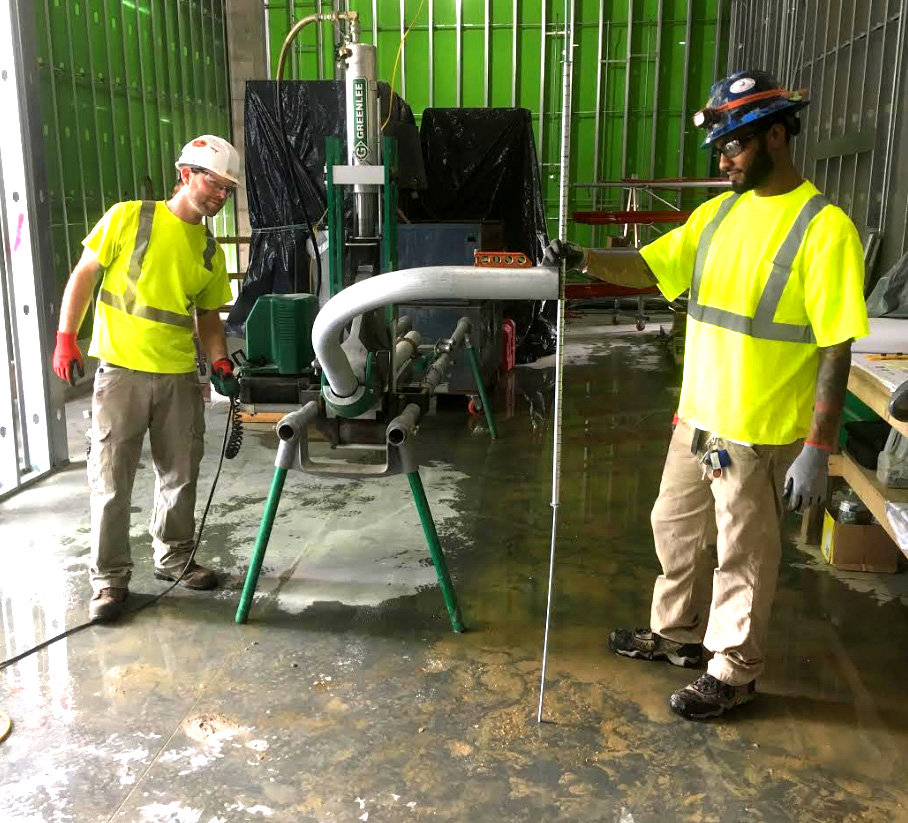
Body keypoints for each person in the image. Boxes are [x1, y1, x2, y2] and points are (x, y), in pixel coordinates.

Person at [544, 70, 869, 720]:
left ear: (777, 136)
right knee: (674, 526)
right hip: (696, 417)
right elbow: (649, 266)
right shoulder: (716, 215)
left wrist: (818, 445)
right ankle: (676, 636)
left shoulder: (824, 228)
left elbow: (836, 344)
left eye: (735, 146)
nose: (723, 160)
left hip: (757, 429)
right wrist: (582, 258)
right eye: (720, 148)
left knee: (743, 553)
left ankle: (734, 670)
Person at [52, 135, 243, 621]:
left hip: (179, 376)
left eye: (228, 189)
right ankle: (109, 581)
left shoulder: (207, 249)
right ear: (186, 175)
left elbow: (208, 315)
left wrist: (219, 361)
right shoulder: (129, 217)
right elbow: (84, 275)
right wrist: (65, 337)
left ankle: (174, 557)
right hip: (121, 374)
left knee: (180, 474)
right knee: (112, 481)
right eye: (214, 183)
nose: (221, 195)